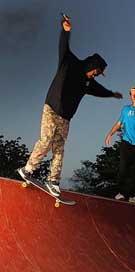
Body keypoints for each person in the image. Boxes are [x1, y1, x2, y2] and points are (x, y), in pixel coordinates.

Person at [18, 16, 122, 197]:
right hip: (51, 109)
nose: (94, 76)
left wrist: (111, 94)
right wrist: (66, 31)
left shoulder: (88, 83)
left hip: (66, 118)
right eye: (95, 72)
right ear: (91, 65)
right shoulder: (69, 62)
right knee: (46, 140)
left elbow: (99, 90)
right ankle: (28, 169)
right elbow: (63, 46)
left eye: (97, 75)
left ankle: (53, 181)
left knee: (59, 148)